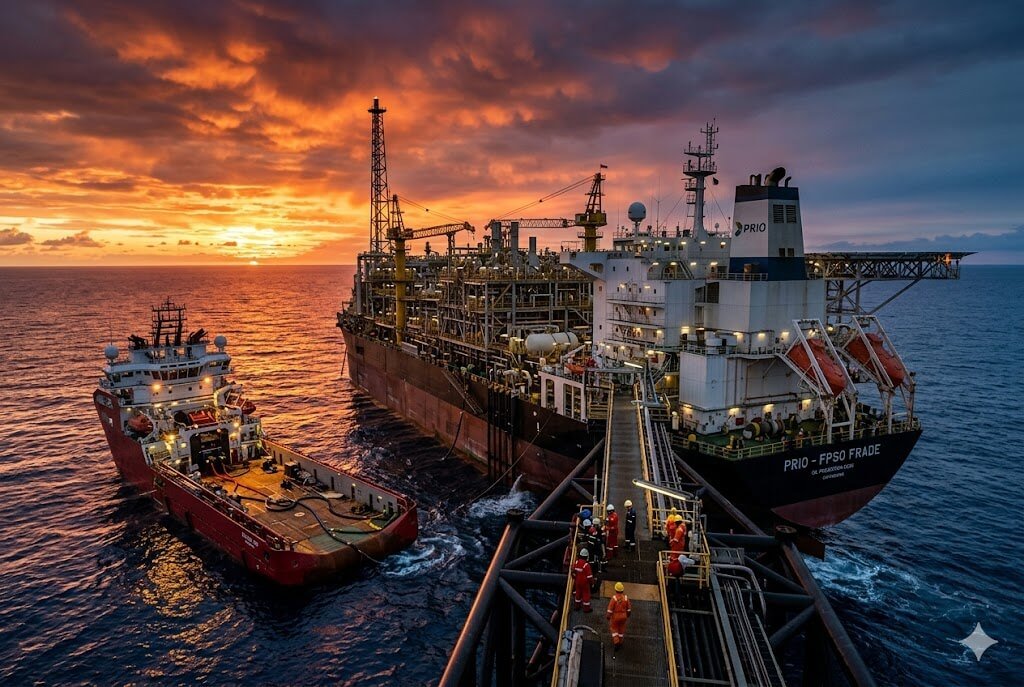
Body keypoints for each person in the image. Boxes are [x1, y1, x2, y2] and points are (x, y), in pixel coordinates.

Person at [606, 581, 632, 653]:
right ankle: (620, 642)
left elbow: (610, 609)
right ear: (622, 590)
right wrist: (628, 615)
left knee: (614, 628)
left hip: (615, 617)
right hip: (624, 616)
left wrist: (608, 616)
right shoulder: (626, 598)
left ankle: (616, 641)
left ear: (616, 590)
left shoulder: (614, 599)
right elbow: (629, 609)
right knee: (621, 629)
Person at [572, 548, 595, 612]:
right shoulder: (586, 565)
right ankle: (586, 609)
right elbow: (589, 576)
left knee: (578, 594)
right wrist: (592, 583)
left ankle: (577, 607)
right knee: (586, 595)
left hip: (577, 582)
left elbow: (572, 571)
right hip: (585, 584)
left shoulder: (576, 562)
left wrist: (574, 578)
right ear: (586, 556)